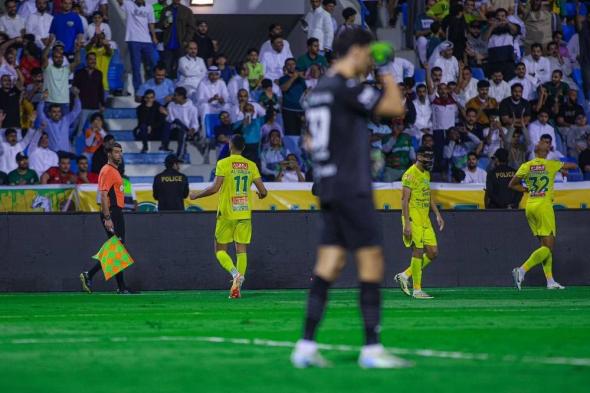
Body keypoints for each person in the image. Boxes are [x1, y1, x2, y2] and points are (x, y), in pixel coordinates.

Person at [290, 31, 408, 369]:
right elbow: (394, 107)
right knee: (370, 263)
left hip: (327, 185)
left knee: (329, 265)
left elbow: (311, 142)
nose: (369, 60)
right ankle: (372, 349)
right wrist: (386, 69)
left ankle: (306, 346)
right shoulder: (347, 87)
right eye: (368, 54)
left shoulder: (318, 91)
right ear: (355, 51)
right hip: (351, 186)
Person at [189, 134, 267, 298]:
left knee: (219, 250)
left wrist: (197, 195)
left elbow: (215, 188)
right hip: (244, 212)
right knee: (241, 249)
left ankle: (234, 274)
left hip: (227, 212)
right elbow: (263, 191)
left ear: (230, 145)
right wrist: (260, 195)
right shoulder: (251, 165)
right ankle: (237, 285)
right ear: (243, 147)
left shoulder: (223, 163)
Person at [509, 141, 577, 290]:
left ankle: (550, 281)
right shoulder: (551, 164)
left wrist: (526, 189)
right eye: (546, 143)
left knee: (544, 246)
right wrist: (561, 168)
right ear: (546, 150)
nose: (546, 143)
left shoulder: (526, 165)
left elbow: (512, 184)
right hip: (544, 206)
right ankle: (522, 270)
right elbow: (573, 166)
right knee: (549, 247)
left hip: (531, 205)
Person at [80, 143, 136, 294]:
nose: (120, 155)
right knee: (117, 248)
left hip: (116, 212)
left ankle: (121, 287)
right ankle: (89, 275)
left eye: (121, 152)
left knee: (116, 249)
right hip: (112, 213)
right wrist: (107, 217)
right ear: (109, 154)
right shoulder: (107, 171)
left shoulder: (114, 171)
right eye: (116, 152)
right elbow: (103, 195)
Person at [394, 146, 444, 299]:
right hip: (413, 218)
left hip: (425, 218)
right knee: (418, 251)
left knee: (433, 252)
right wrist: (407, 224)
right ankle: (417, 290)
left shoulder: (426, 174)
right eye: (426, 157)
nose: (429, 160)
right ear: (418, 156)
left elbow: (427, 196)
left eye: (431, 157)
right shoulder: (409, 175)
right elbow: (404, 200)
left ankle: (405, 275)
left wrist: (437, 214)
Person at [116, 0, 158, 93]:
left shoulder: (149, 7)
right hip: (133, 39)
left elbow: (151, 23)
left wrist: (154, 36)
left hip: (147, 39)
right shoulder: (128, 4)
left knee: (152, 63)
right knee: (136, 66)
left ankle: (152, 86)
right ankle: (138, 89)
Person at [158, 0, 195, 78]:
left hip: (181, 45)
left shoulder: (187, 11)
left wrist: (186, 41)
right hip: (168, 44)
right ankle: (168, 88)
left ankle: (179, 88)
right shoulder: (165, 10)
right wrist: (165, 23)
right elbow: (160, 26)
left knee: (181, 68)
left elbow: (191, 28)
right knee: (167, 68)